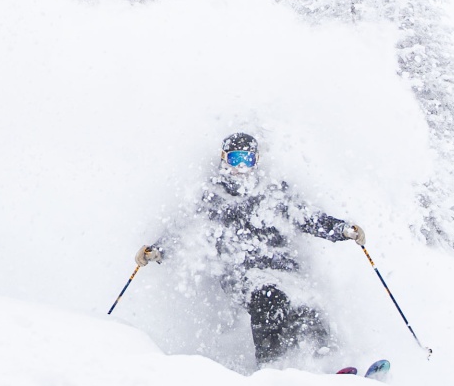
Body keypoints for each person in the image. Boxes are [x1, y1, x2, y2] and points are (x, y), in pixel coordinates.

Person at [135, 132, 365, 367]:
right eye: (235, 160)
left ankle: (327, 363)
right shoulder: (213, 198)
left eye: (248, 160)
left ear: (257, 161)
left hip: (284, 269)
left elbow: (307, 217)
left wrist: (341, 229)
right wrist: (159, 250)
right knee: (270, 298)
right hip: (241, 273)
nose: (241, 167)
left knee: (308, 306)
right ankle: (272, 366)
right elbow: (186, 230)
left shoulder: (273, 192)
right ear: (224, 159)